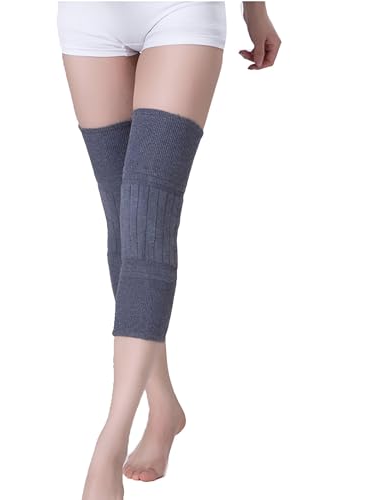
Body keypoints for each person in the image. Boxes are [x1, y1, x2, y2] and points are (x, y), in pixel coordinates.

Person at [56, 2, 281, 498]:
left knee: (147, 214)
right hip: (88, 18)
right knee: (123, 224)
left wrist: (255, 11)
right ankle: (163, 406)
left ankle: (110, 442)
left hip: (180, 13)